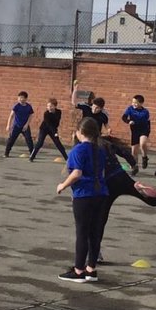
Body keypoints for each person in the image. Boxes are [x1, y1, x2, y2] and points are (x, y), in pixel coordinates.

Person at [55, 117, 109, 282]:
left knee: (82, 233)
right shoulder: (100, 150)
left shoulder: (78, 150)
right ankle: (91, 269)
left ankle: (78, 271)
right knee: (95, 233)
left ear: (80, 132)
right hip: (101, 194)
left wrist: (62, 185)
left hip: (85, 195)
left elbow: (77, 173)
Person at [94, 132, 156, 263]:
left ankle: (96, 253)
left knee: (100, 219)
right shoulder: (107, 143)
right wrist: (134, 164)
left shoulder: (89, 146)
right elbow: (124, 152)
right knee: (151, 201)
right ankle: (145, 193)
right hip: (122, 177)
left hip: (107, 183)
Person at [29, 97, 68, 161]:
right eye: (48, 106)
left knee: (58, 143)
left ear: (55, 106)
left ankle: (66, 158)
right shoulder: (46, 114)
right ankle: (32, 157)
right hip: (44, 129)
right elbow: (49, 124)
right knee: (40, 142)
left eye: (51, 106)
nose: (49, 107)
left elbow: (57, 122)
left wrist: (55, 132)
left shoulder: (59, 112)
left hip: (53, 129)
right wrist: (55, 132)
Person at [122, 94, 152, 169]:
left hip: (143, 129)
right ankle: (135, 166)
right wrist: (129, 121)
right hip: (135, 130)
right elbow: (124, 117)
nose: (133, 104)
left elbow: (148, 122)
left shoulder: (145, 112)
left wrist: (148, 131)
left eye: (136, 102)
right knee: (134, 151)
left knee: (142, 143)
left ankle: (144, 157)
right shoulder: (130, 109)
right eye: (133, 102)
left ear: (141, 103)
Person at [3, 91, 35, 157]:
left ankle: (32, 154)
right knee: (11, 139)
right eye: (19, 98)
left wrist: (26, 124)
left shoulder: (28, 107)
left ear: (26, 99)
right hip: (16, 126)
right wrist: (8, 125)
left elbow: (31, 115)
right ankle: (6, 153)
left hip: (25, 126)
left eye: (22, 98)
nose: (20, 99)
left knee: (29, 139)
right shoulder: (16, 106)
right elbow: (11, 116)